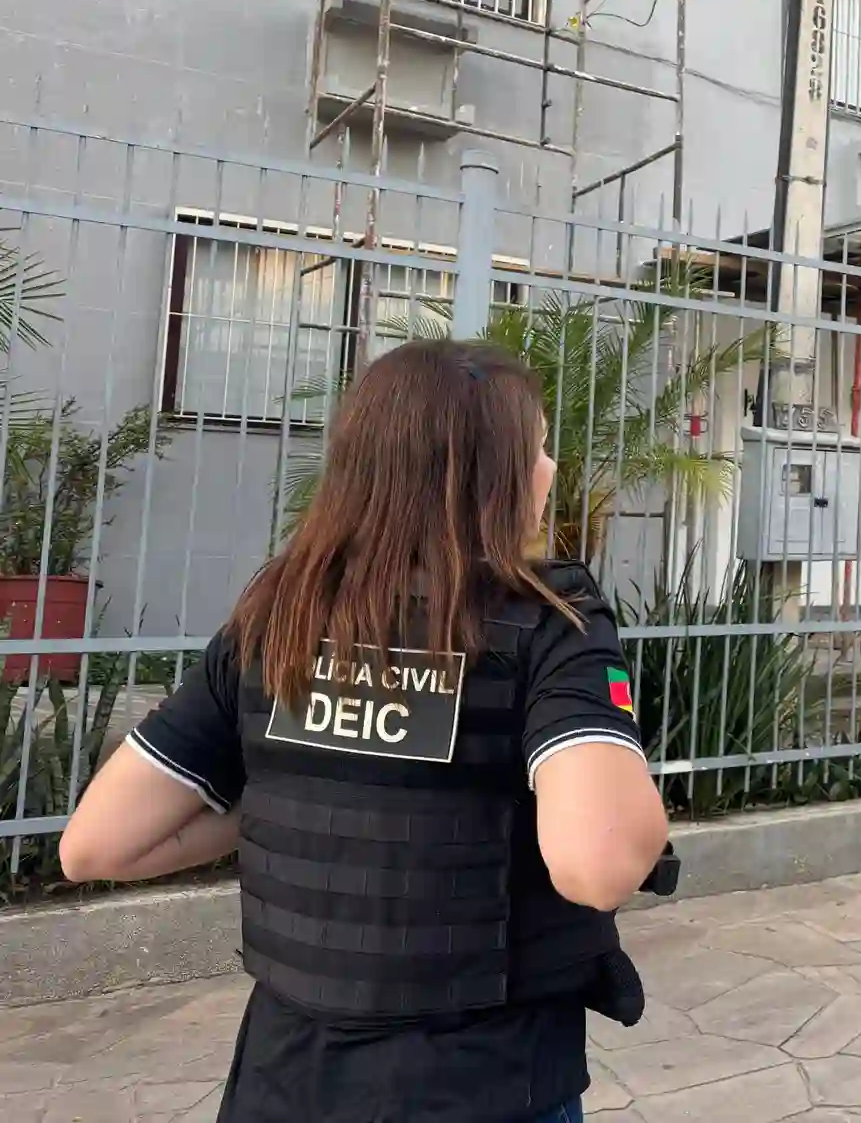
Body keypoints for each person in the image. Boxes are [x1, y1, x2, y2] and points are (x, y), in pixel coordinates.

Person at [60, 340, 672, 1123]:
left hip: (283, 1090)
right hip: (485, 1088)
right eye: (540, 446)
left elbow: (96, 845)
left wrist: (290, 803)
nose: (550, 470)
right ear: (488, 476)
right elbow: (598, 866)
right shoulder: (547, 626)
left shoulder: (276, 618)